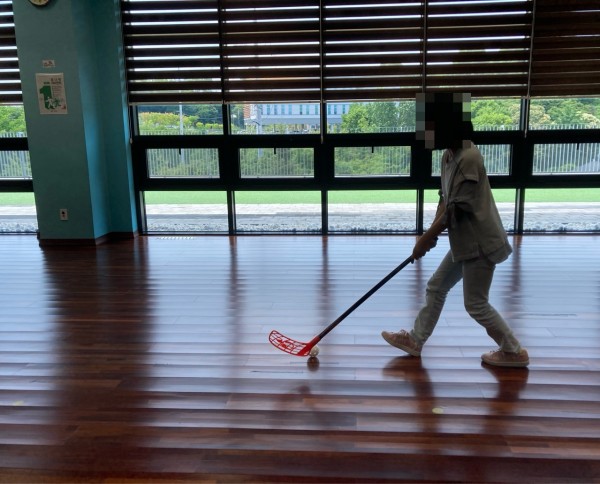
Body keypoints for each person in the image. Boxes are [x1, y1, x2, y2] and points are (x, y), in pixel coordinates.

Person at [382, 93, 529, 368]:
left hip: (480, 243)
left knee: (476, 304)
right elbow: (444, 199)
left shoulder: (469, 157)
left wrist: (426, 239)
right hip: (465, 242)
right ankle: (415, 340)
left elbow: (454, 211)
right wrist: (430, 234)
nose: (424, 133)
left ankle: (513, 351)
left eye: (428, 126)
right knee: (436, 287)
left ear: (444, 125)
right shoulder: (449, 155)